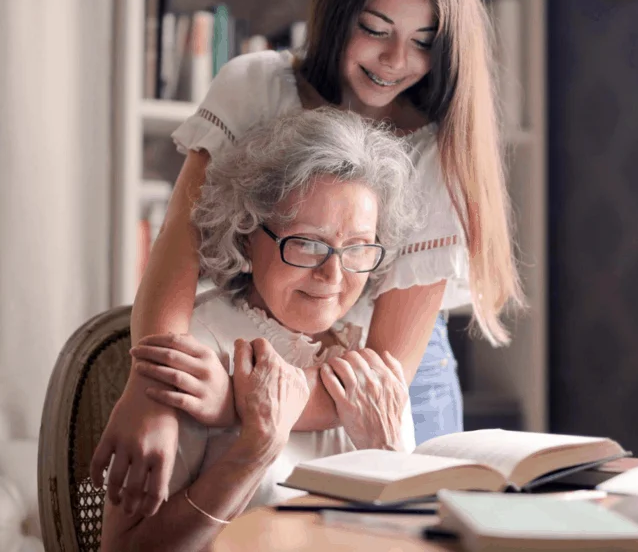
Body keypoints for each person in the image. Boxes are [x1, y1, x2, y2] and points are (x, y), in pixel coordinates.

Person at [92, 0, 524, 516]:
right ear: (338, 12)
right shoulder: (255, 87)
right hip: (259, 343)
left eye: (423, 42)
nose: (395, 60)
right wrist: (151, 391)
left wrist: (232, 402)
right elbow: (176, 261)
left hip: (388, 377)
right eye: (375, 28)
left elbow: (390, 366)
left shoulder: (436, 150)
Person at [101, 108, 416, 551]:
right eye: (308, 243)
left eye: (359, 247)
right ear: (247, 232)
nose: (334, 275)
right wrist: (253, 453)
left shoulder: (369, 365)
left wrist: (386, 454)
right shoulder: (193, 350)